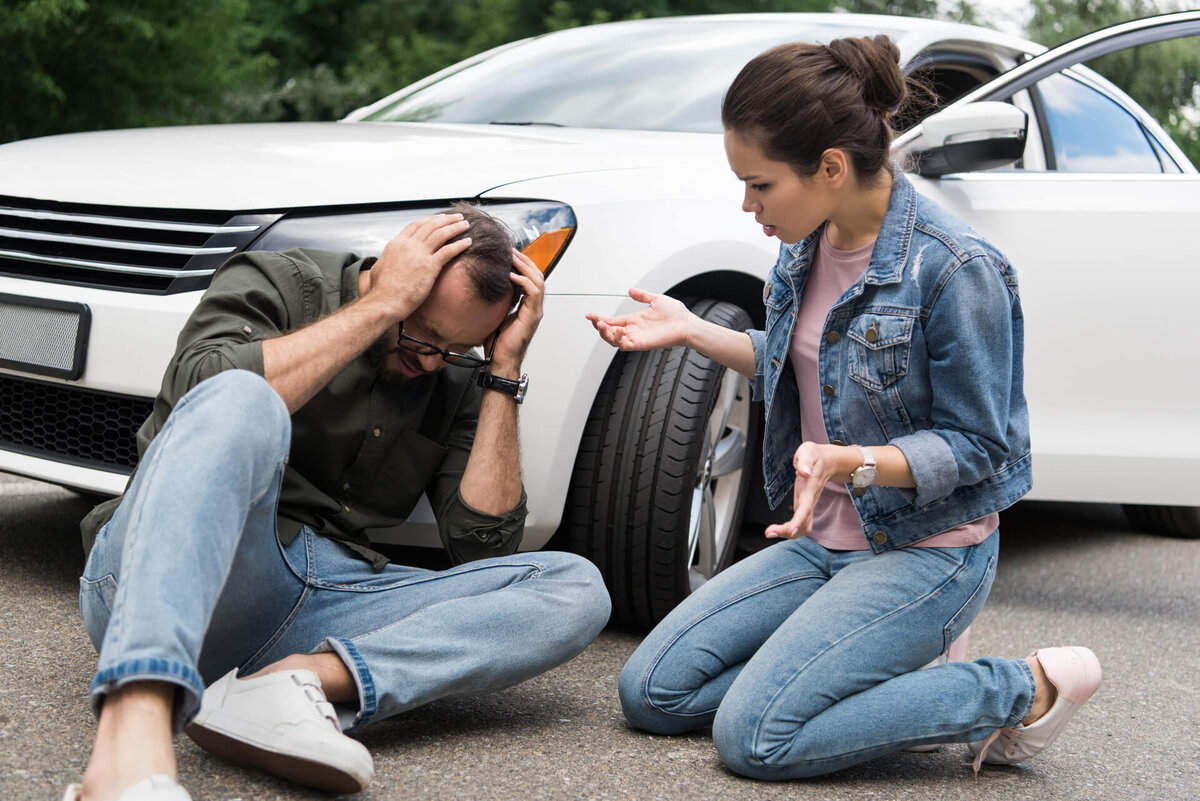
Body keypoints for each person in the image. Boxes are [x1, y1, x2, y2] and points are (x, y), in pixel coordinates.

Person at [587, 36, 1100, 780]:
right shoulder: (805, 246)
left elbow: (979, 445)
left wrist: (852, 462)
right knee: (654, 693)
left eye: (759, 184)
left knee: (754, 740)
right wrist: (695, 330)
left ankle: (1021, 688)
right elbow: (811, 361)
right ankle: (856, 678)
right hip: (824, 546)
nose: (746, 203)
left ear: (829, 167)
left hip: (926, 552)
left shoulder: (956, 268)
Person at [68, 205, 611, 801]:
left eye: (456, 348)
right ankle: (132, 735)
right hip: (174, 567)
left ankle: (290, 685)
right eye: (421, 331)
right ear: (393, 268)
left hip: (322, 603)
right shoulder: (277, 282)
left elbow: (483, 545)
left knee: (574, 585)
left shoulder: (456, 374)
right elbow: (200, 405)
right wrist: (382, 307)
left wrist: (501, 371)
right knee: (243, 396)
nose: (429, 360)